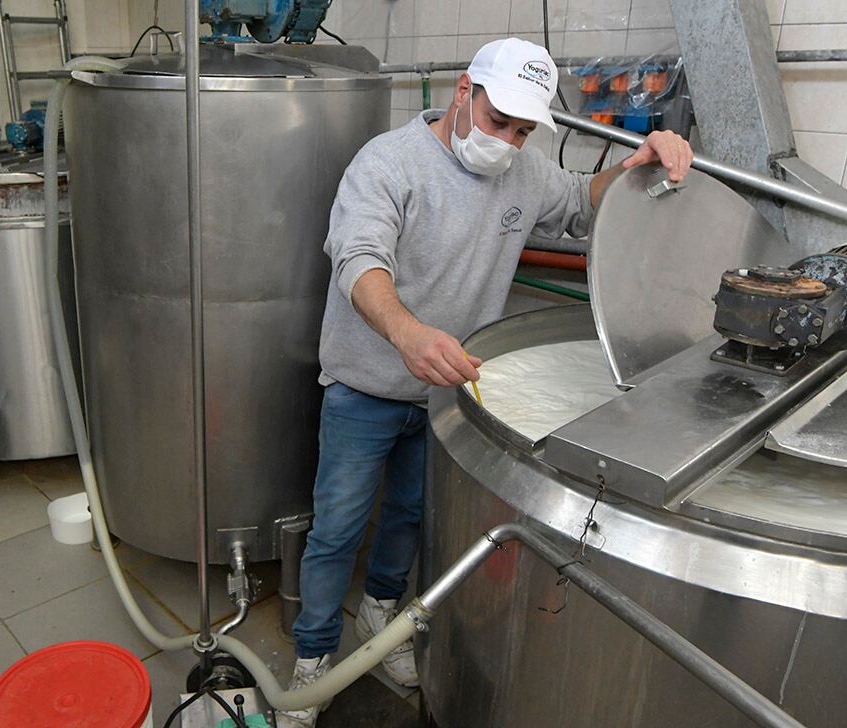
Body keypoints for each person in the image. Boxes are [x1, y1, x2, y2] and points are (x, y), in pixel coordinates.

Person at [276, 37, 694, 728]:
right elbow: (358, 256)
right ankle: (314, 658)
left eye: (524, 130)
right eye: (499, 121)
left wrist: (637, 166)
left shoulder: (523, 174)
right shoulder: (389, 163)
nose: (507, 141)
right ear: (465, 90)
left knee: (410, 520)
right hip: (365, 389)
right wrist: (408, 335)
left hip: (448, 395)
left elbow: (583, 204)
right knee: (338, 529)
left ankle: (382, 626)